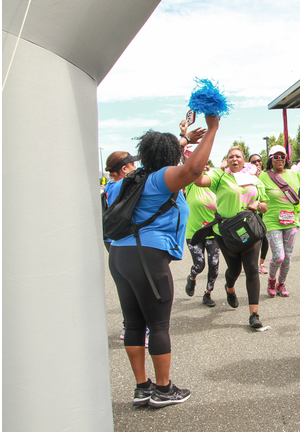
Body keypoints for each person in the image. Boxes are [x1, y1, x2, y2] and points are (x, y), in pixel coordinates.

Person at [108, 115, 216, 407]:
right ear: (170, 158)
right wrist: (213, 128)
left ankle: (142, 388)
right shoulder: (161, 179)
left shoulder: (122, 182)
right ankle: (164, 390)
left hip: (119, 255)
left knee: (134, 323)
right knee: (158, 326)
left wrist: (184, 139)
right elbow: (193, 169)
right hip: (147, 257)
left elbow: (158, 156)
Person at [192, 146, 269, 329]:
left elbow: (265, 205)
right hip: (225, 232)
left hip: (249, 230)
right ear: (227, 161)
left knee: (252, 269)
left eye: (238, 156)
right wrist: (197, 163)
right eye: (231, 157)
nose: (234, 159)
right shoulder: (219, 177)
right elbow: (199, 181)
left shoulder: (254, 180)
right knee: (234, 270)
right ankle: (229, 288)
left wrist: (258, 205)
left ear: (244, 160)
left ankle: (254, 315)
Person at [258, 145, 300, 297]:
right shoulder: (264, 177)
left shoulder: (295, 174)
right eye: (276, 157)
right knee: (278, 256)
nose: (279, 159)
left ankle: (281, 284)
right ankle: (272, 280)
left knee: (287, 258)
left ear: (286, 158)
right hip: (272, 222)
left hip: (291, 221)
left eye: (282, 156)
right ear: (270, 159)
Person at [103, 151, 141, 342]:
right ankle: (139, 328)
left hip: (113, 241)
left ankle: (128, 326)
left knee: (125, 287)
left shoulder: (110, 185)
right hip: (127, 243)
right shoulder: (121, 185)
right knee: (137, 287)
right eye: (132, 165)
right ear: (124, 168)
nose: (135, 167)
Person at [184, 163, 221, 307]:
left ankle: (207, 294)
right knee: (199, 265)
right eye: (201, 165)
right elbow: (187, 169)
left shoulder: (215, 185)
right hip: (194, 232)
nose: (204, 167)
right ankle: (192, 277)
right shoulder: (191, 184)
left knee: (214, 264)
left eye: (206, 165)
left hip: (212, 232)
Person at [249, 153, 270, 275]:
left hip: (264, 211)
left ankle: (260, 264)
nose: (257, 163)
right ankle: (251, 263)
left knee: (265, 239)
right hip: (251, 213)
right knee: (253, 240)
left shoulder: (266, 175)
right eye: (253, 162)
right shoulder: (246, 177)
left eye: (259, 160)